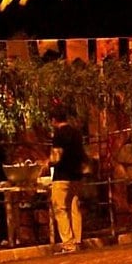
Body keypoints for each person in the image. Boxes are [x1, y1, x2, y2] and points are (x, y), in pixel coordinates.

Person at [49, 109, 86, 254]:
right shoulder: (76, 133)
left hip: (62, 175)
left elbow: (56, 157)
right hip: (76, 175)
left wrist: (47, 164)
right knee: (74, 207)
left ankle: (68, 243)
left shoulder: (59, 134)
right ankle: (78, 240)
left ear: (54, 120)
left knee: (60, 208)